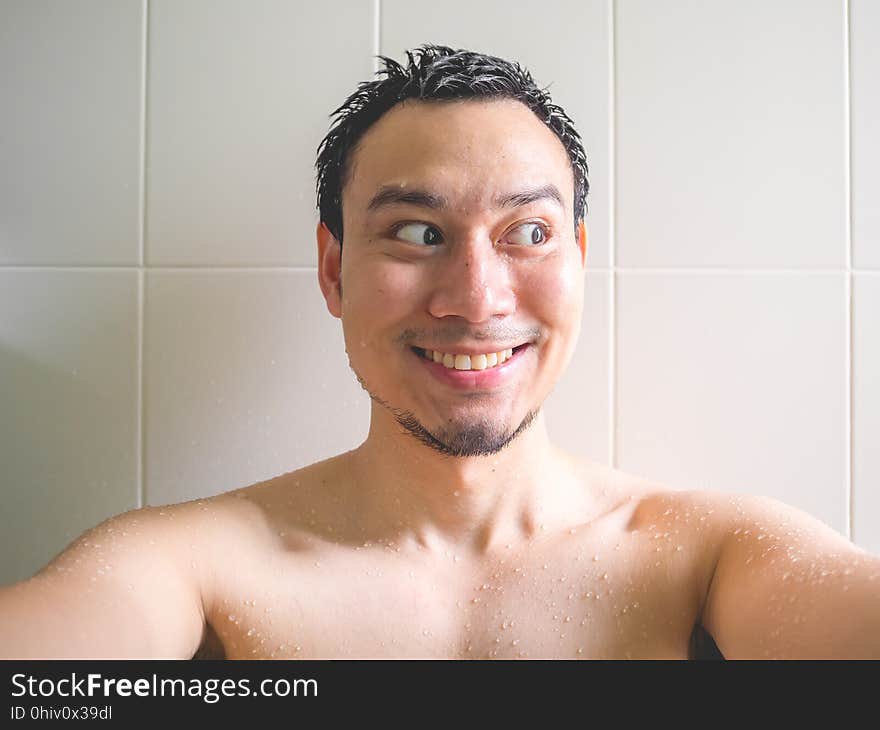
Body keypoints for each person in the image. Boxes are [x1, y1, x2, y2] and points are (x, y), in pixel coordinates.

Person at [1, 45, 877, 660]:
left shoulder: (711, 556)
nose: (475, 296)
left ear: (578, 259)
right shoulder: (195, 569)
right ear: (334, 268)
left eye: (527, 232)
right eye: (418, 232)